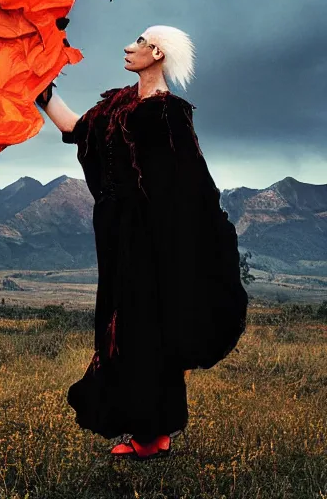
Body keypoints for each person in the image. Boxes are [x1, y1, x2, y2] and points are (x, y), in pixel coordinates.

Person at [36, 25, 249, 460]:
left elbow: (191, 181)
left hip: (153, 237)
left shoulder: (170, 114)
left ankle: (152, 436)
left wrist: (204, 236)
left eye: (137, 42)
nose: (127, 47)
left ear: (156, 52)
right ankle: (150, 432)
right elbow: (78, 129)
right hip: (116, 232)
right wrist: (42, 92)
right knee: (121, 326)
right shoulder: (117, 104)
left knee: (146, 328)